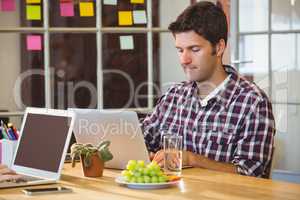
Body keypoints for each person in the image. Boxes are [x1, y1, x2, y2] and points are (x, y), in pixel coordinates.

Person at [142, 1, 275, 177]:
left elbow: (251, 175)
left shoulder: (252, 102)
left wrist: (193, 159)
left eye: (194, 49)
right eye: (180, 50)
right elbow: (141, 141)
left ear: (219, 47)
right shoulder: (172, 97)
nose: (184, 60)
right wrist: (145, 154)